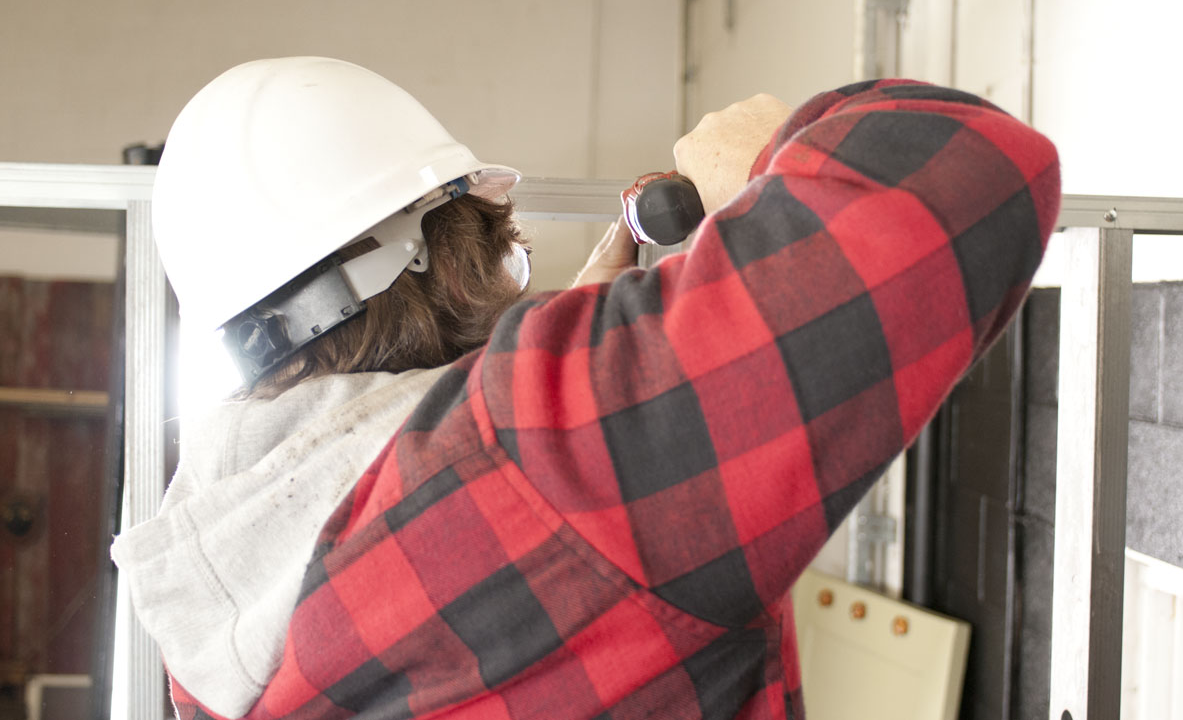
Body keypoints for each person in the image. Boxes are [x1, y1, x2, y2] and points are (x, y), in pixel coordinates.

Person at [112, 56, 1060, 720]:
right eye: (503, 257)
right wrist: (767, 160)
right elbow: (975, 167)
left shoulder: (203, 605)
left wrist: (573, 354)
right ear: (438, 265)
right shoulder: (543, 452)